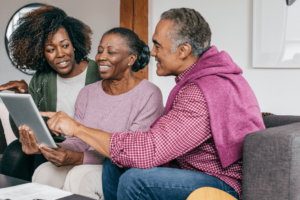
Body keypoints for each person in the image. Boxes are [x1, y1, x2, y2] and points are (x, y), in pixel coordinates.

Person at [40, 8, 266, 200]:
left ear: (184, 50)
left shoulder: (202, 90)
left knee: (135, 179)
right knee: (115, 163)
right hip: (190, 171)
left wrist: (77, 128)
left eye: (157, 45)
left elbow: (150, 151)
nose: (153, 52)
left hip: (220, 182)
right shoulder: (201, 80)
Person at [32, 27, 164, 199]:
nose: (101, 57)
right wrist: (55, 149)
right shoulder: (87, 93)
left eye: (111, 52)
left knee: (80, 177)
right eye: (100, 51)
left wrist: (79, 158)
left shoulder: (149, 94)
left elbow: (131, 154)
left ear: (131, 58)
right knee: (44, 173)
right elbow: (77, 142)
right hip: (86, 160)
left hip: (118, 169)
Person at [0, 5, 101, 182]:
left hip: (87, 144)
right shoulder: (42, 78)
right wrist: (24, 97)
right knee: (15, 151)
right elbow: (23, 131)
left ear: (74, 44)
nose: (60, 54)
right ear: (42, 53)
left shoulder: (99, 73)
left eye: (65, 45)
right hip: (51, 145)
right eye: (50, 49)